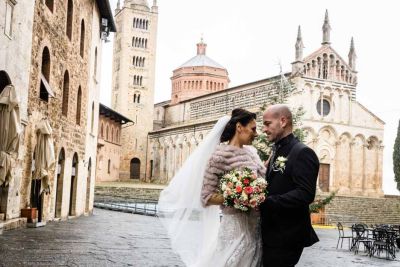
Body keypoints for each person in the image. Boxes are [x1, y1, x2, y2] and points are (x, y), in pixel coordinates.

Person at [157, 108, 266, 267]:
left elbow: (262, 180)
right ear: (239, 127)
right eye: (253, 129)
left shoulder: (252, 153)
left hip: (255, 224)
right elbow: (206, 197)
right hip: (234, 226)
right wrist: (238, 196)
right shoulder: (219, 156)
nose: (256, 134)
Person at [260, 104, 320, 267]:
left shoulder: (302, 152)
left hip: (287, 236)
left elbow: (306, 193)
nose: (264, 129)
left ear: (283, 121)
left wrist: (267, 202)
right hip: (269, 233)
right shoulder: (276, 151)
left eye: (267, 123)